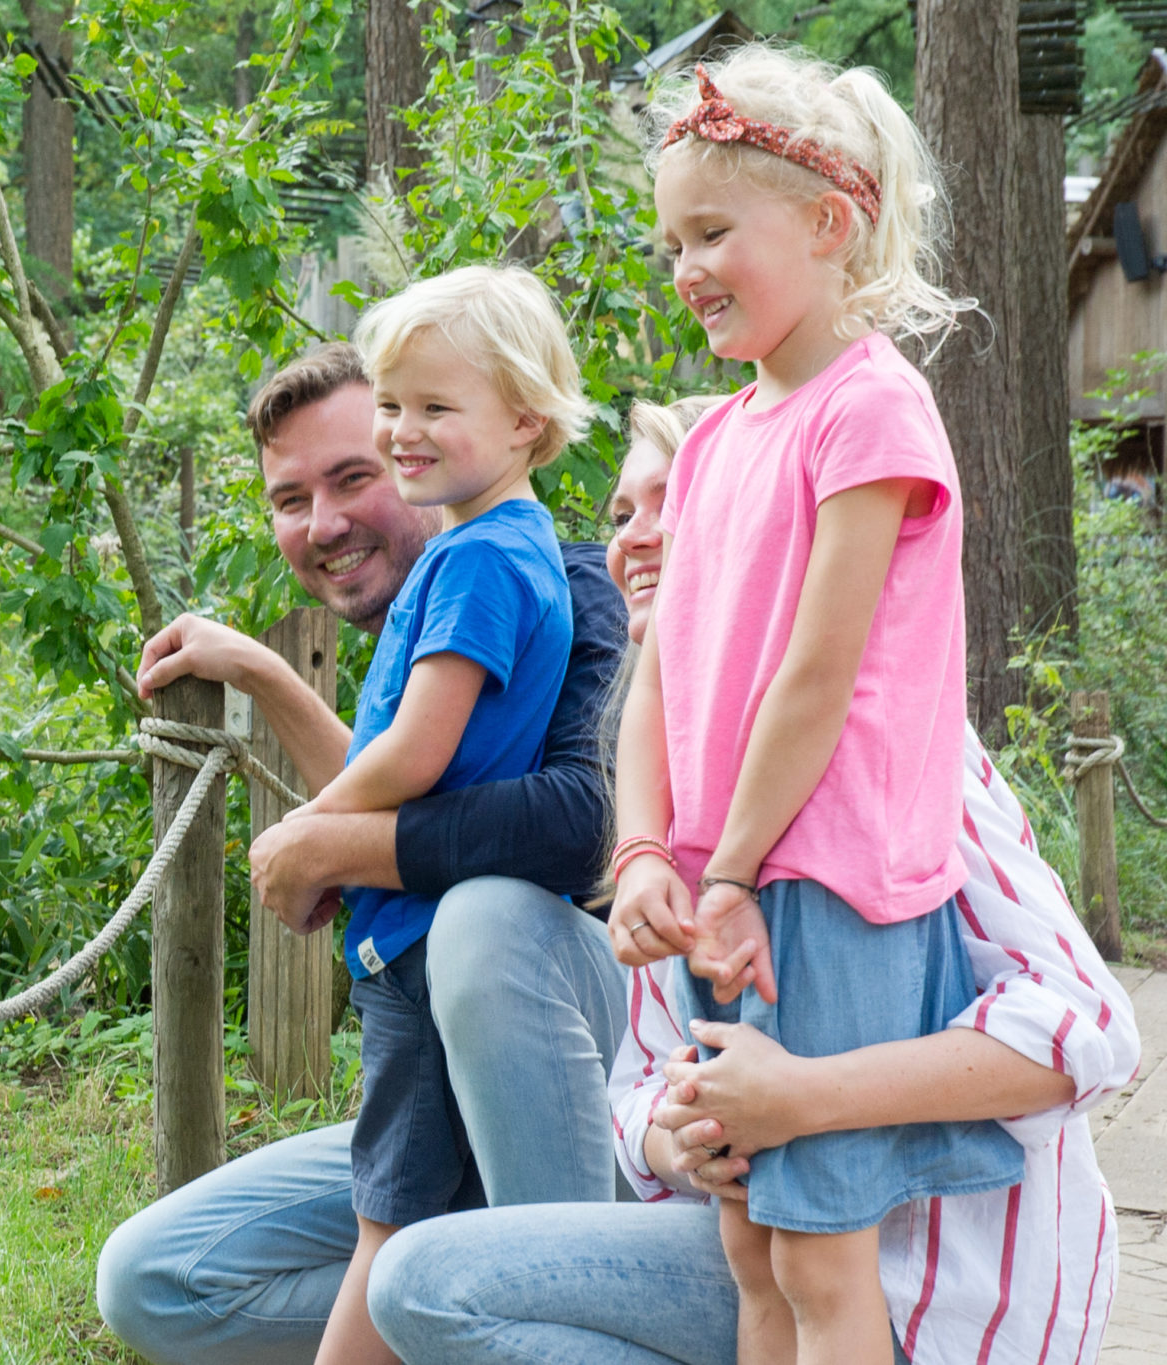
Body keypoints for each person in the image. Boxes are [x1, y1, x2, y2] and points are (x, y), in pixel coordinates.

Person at [362, 398, 1140, 1363]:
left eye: (668, 505)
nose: (636, 539)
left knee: (433, 1283)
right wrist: (682, 1133)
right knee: (419, 1276)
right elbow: (639, 1083)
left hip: (933, 1302)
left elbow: (1088, 1028)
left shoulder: (895, 744)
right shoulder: (665, 789)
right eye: (619, 515)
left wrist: (803, 1094)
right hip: (752, 1259)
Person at [607, 50, 1024, 1362]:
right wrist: (639, 852)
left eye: (714, 230)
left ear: (829, 225)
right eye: (673, 238)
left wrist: (727, 866)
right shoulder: (720, 434)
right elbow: (665, 665)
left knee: (823, 1257)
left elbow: (818, 672)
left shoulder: (872, 410)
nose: (685, 265)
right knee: (748, 1245)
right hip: (728, 884)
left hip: (825, 884)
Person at [100, 336, 630, 1361]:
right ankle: (462, 1309)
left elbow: (575, 828)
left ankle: (568, 1294)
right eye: (289, 498)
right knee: (152, 1280)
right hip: (432, 1078)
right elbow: (404, 785)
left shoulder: (558, 582)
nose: (323, 523)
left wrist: (319, 845)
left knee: (481, 917)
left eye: (354, 476)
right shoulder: (414, 634)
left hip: (570, 1086)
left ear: (426, 447)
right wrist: (266, 678)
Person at [297, 265, 583, 1363]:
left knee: (390, 1216)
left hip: (422, 940)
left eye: (433, 407)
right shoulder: (502, 544)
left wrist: (311, 829)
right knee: (407, 1204)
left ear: (522, 421)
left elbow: (417, 750)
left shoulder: (477, 560)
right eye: (390, 404)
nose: (399, 432)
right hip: (419, 934)